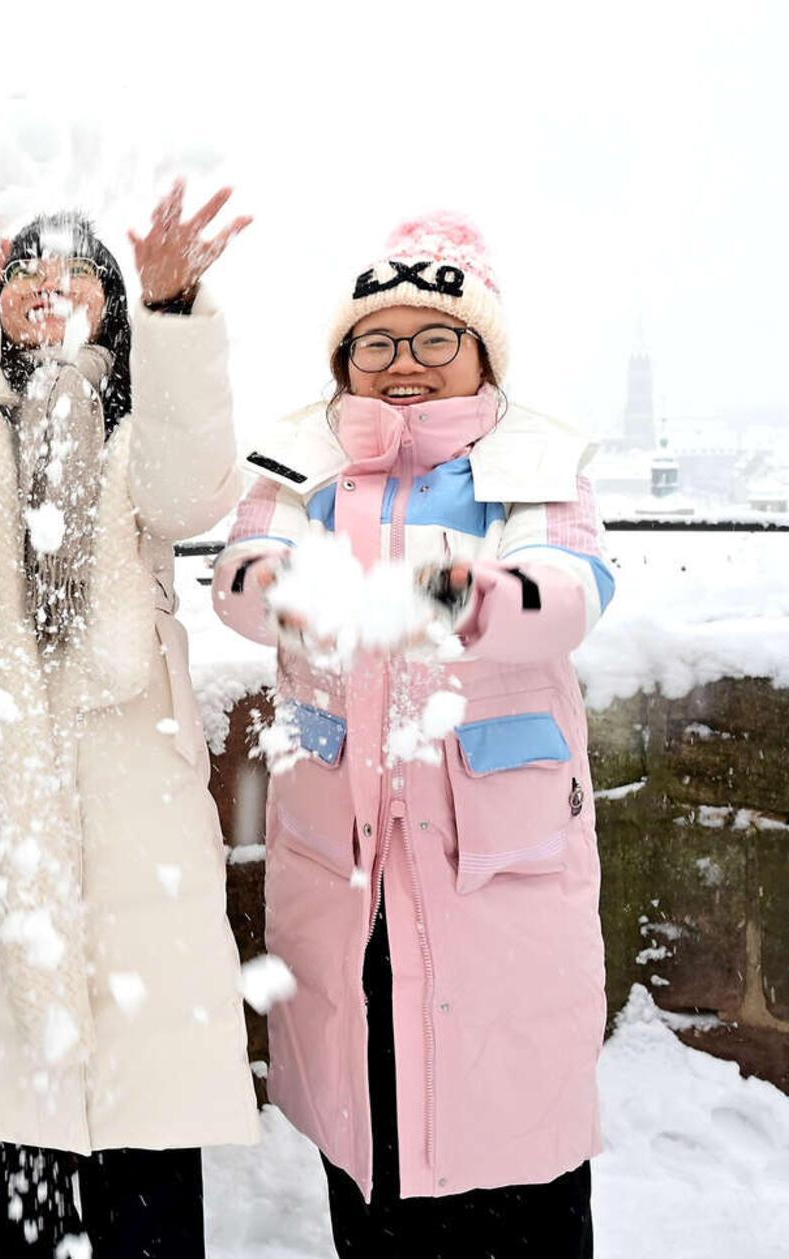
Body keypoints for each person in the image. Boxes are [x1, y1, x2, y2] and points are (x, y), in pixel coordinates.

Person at [211, 213, 611, 1258]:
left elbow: (563, 591)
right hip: (342, 870)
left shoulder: (536, 461)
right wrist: (297, 595)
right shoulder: (295, 460)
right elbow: (243, 575)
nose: (401, 364)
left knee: (514, 1140)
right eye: (374, 342)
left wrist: (448, 593)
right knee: (372, 1135)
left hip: (495, 871)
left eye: (433, 338)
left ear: (482, 352)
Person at [0, 184, 259, 1258]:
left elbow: (192, 496)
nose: (49, 294)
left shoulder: (140, 423)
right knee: (13, 1109)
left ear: (112, 303)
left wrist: (178, 305)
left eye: (77, 277)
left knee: (145, 1123)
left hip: (131, 791)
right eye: (24, 280)